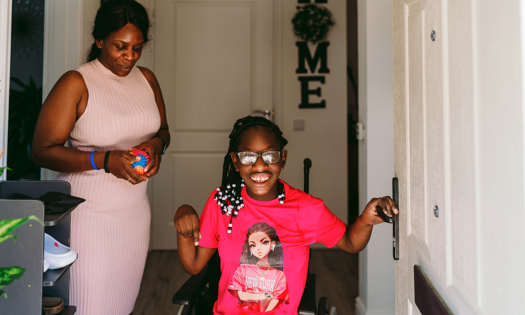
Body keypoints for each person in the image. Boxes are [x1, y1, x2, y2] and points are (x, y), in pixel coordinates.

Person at [174, 116, 398, 315]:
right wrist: (183, 216)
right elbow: (193, 265)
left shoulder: (306, 208)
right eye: (248, 156)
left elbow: (350, 241)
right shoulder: (223, 203)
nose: (260, 165)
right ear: (236, 161)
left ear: (283, 159)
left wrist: (366, 220)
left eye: (270, 155)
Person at [32, 0, 169, 314]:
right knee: (90, 305)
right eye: (121, 46)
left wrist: (156, 146)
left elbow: (163, 130)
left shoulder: (146, 79)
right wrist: (104, 161)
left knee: (122, 303)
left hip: (134, 214)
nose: (130, 56)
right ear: (99, 40)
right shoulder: (77, 83)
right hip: (87, 218)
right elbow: (41, 150)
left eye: (138, 47)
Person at [229, 222, 289, 312]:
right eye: (253, 245)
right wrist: (263, 296)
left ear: (272, 244)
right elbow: (241, 295)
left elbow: (276, 300)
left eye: (264, 242)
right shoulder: (243, 269)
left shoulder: (279, 275)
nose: (258, 248)